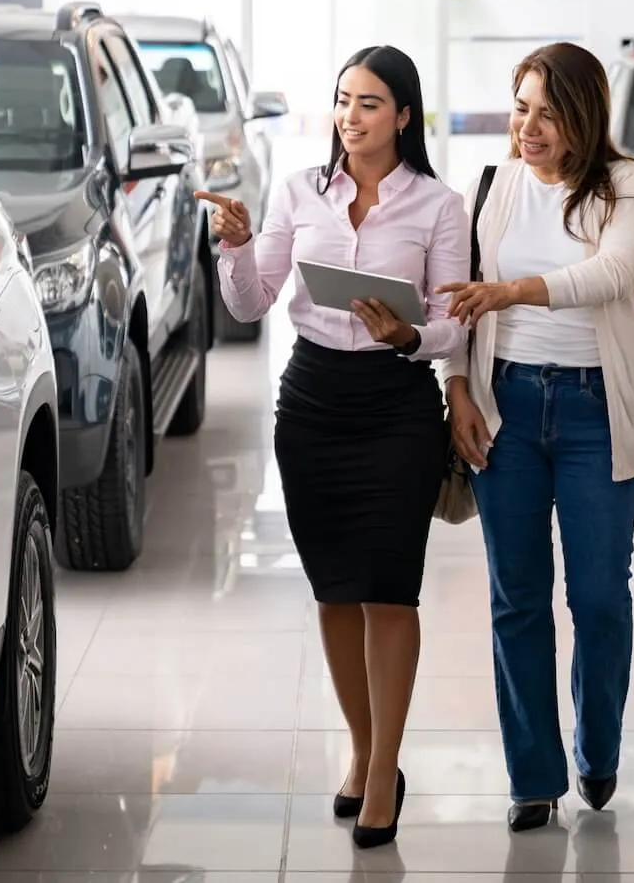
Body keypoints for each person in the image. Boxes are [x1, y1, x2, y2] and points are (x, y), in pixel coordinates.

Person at [197, 45, 469, 850]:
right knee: (334, 591)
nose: (351, 116)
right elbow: (252, 304)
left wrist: (412, 334)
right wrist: (237, 247)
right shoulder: (298, 192)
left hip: (396, 406)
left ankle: (384, 771)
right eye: (344, 100)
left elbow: (454, 322)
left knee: (390, 590)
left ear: (405, 117)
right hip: (313, 404)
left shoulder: (438, 206)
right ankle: (360, 747)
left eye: (371, 103)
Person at [435, 41, 634, 832]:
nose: (528, 127)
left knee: (599, 598)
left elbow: (614, 273)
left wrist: (518, 289)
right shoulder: (491, 187)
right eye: (521, 107)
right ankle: (534, 777)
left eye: (547, 113)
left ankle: (597, 750)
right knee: (518, 598)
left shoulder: (625, 185)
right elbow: (463, 302)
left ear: (583, 118)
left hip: (599, 412)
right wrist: (458, 388)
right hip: (510, 408)